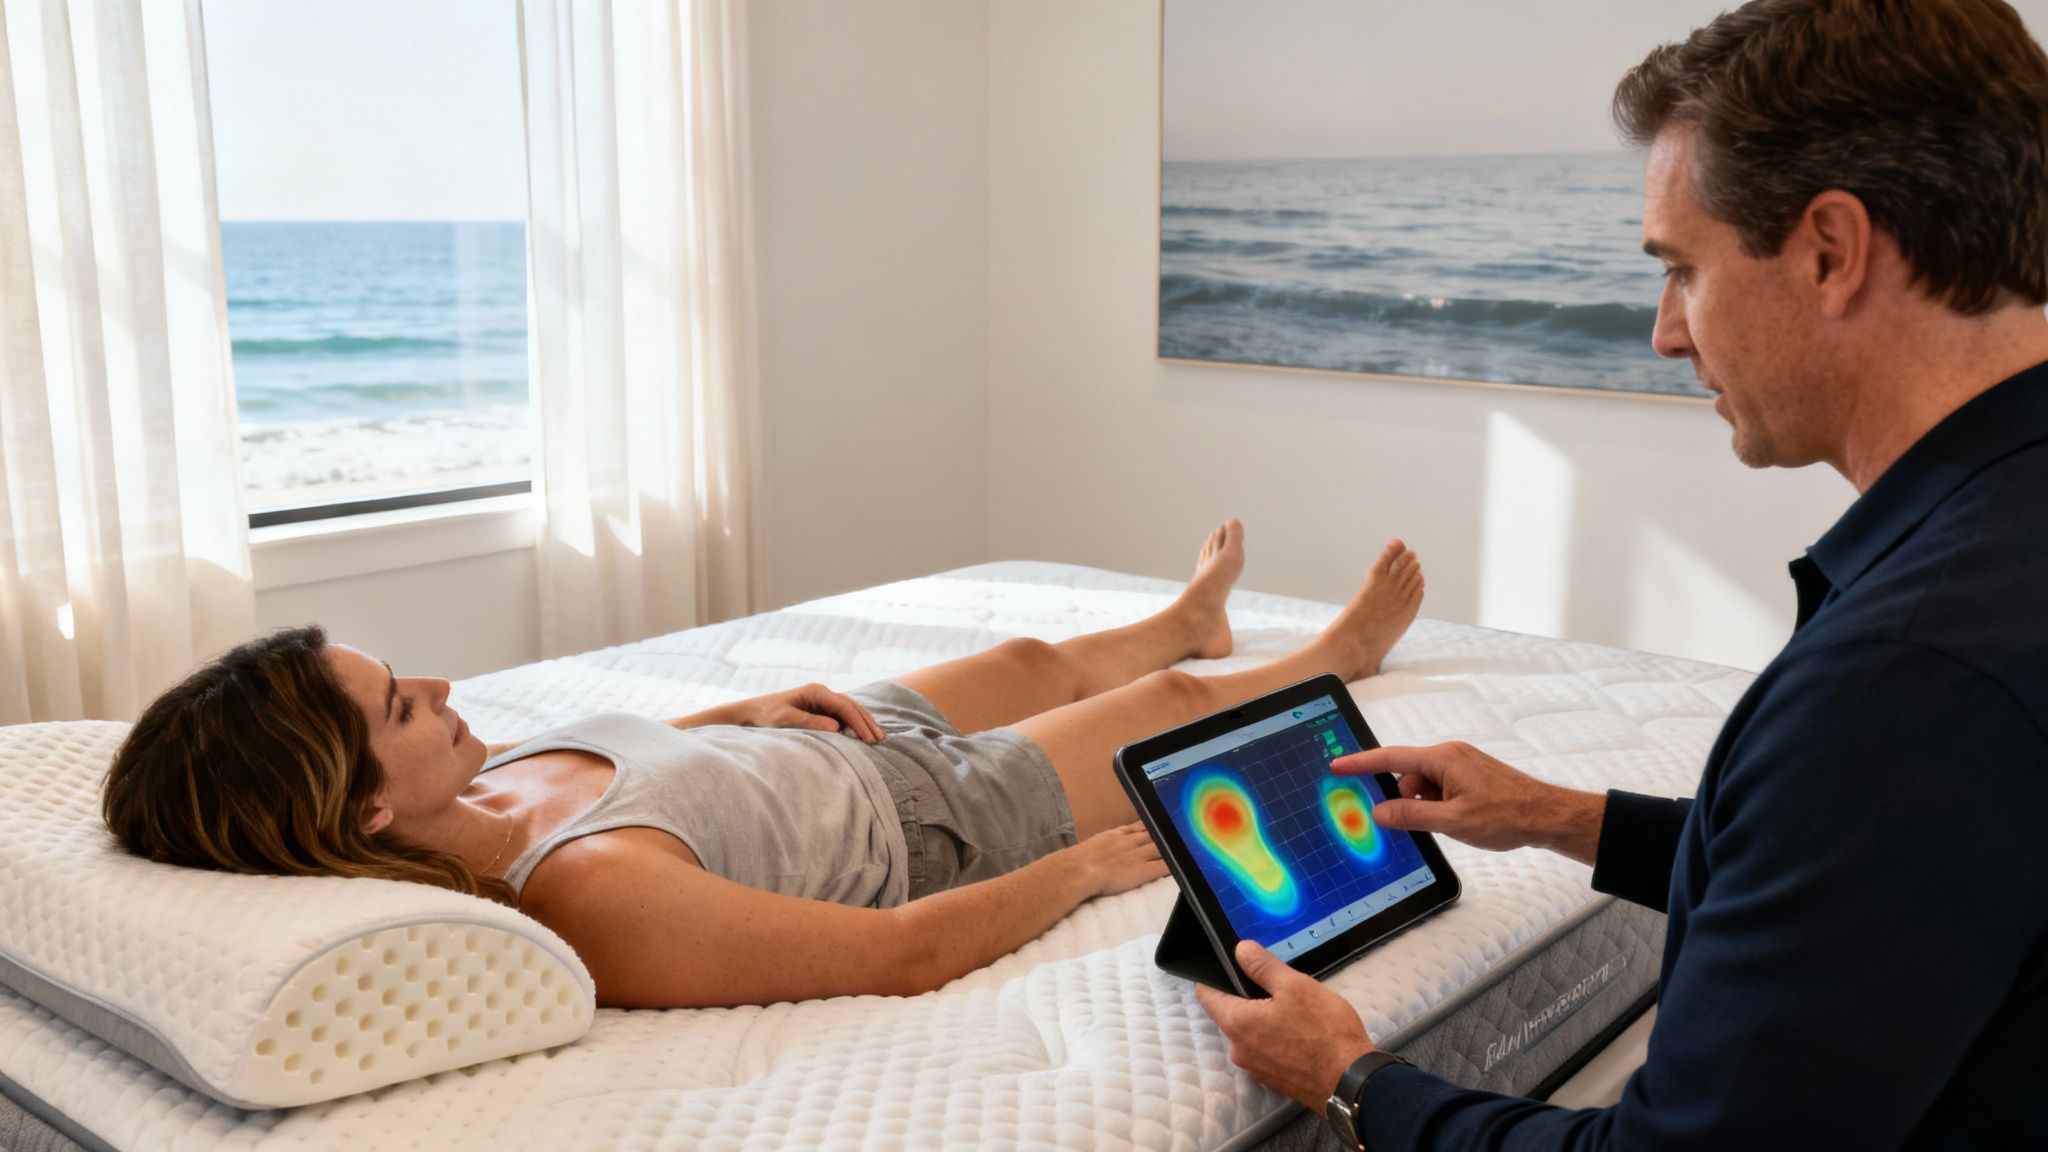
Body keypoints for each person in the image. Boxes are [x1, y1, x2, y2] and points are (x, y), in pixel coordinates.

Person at [1198, 1, 2048, 1148]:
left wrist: (1354, 1079)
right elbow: (1895, 872)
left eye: (1680, 270)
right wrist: (1560, 816)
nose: (1663, 331)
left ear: (1829, 253)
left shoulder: (1903, 680)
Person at [103, 521, 1427, 1009]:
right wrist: (1081, 868)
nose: (446, 690)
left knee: (1035, 650)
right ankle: (1341, 656)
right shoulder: (585, 896)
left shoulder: (477, 779)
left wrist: (744, 708)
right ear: (368, 805)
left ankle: (1178, 614)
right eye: (403, 704)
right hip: (935, 823)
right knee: (1173, 706)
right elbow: (895, 955)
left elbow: (639, 768)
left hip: (824, 743)